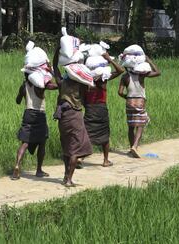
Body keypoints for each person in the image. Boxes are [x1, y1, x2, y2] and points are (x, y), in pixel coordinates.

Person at [52, 46, 93, 187]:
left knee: (66, 147)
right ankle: (69, 179)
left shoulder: (61, 83)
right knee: (75, 148)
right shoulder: (81, 85)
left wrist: (58, 49)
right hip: (75, 116)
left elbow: (55, 67)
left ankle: (65, 176)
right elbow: (88, 83)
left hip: (63, 117)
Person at [11, 70, 58, 180]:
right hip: (39, 114)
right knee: (42, 143)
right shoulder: (41, 84)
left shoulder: (24, 86)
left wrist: (23, 94)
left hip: (28, 113)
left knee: (25, 142)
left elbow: (17, 101)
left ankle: (17, 165)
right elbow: (55, 86)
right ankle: (39, 170)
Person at [82, 52, 124, 167]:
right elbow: (121, 70)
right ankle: (106, 160)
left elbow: (82, 98)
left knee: (87, 133)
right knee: (104, 134)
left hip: (90, 108)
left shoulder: (86, 81)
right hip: (101, 108)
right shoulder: (104, 80)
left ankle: (80, 158)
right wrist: (109, 59)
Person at [118, 56, 161, 158]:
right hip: (140, 101)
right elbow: (158, 72)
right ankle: (135, 146)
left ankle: (131, 147)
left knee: (131, 126)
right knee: (141, 124)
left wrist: (127, 98)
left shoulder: (124, 77)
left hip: (129, 101)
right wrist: (148, 60)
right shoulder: (141, 75)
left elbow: (120, 92)